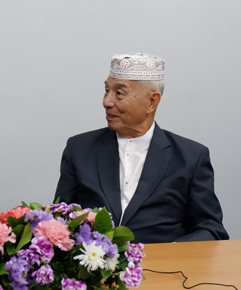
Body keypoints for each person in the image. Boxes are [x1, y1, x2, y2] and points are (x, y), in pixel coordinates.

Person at [54, 53, 229, 243]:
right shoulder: (79, 148)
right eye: (106, 90)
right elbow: (60, 219)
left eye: (119, 93)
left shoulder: (191, 157)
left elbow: (210, 228)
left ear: (151, 102)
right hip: (93, 269)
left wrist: (174, 253)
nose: (107, 101)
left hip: (165, 269)